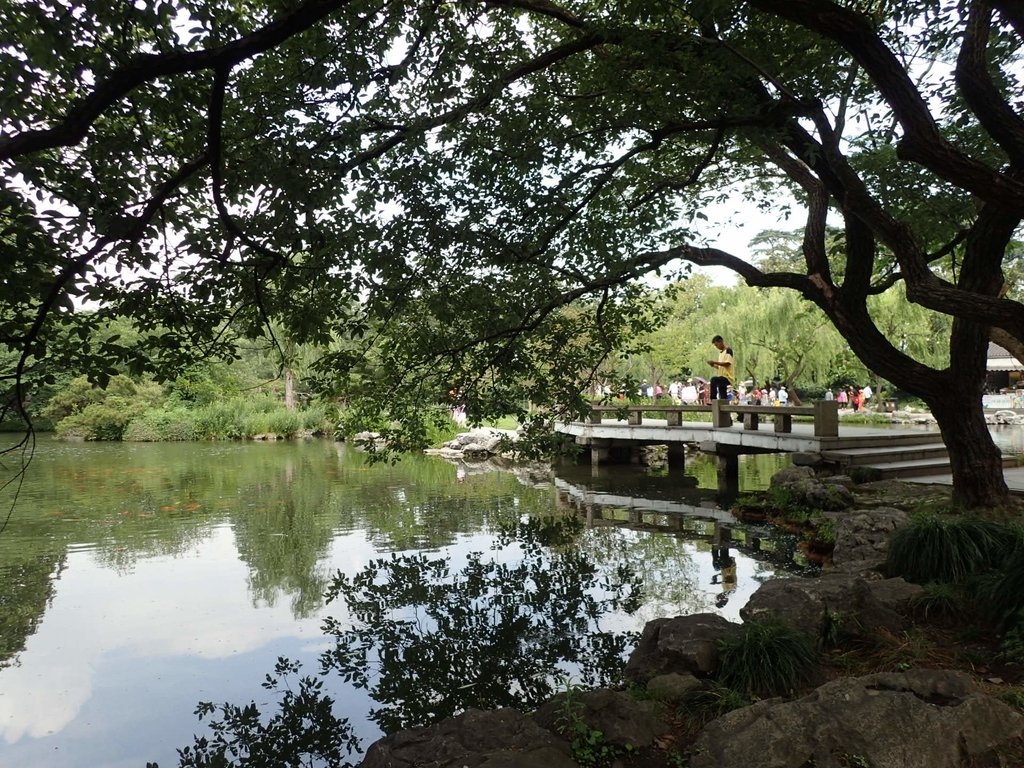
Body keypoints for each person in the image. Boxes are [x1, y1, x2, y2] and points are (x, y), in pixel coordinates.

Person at [706, 335, 735, 401]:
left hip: (727, 377)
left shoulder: (728, 350)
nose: (717, 347)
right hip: (721, 376)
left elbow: (727, 363)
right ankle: (725, 408)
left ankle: (713, 399)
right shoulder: (721, 353)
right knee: (723, 395)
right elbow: (720, 367)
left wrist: (715, 362)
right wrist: (713, 365)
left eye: (717, 345)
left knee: (713, 379)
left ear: (721, 342)